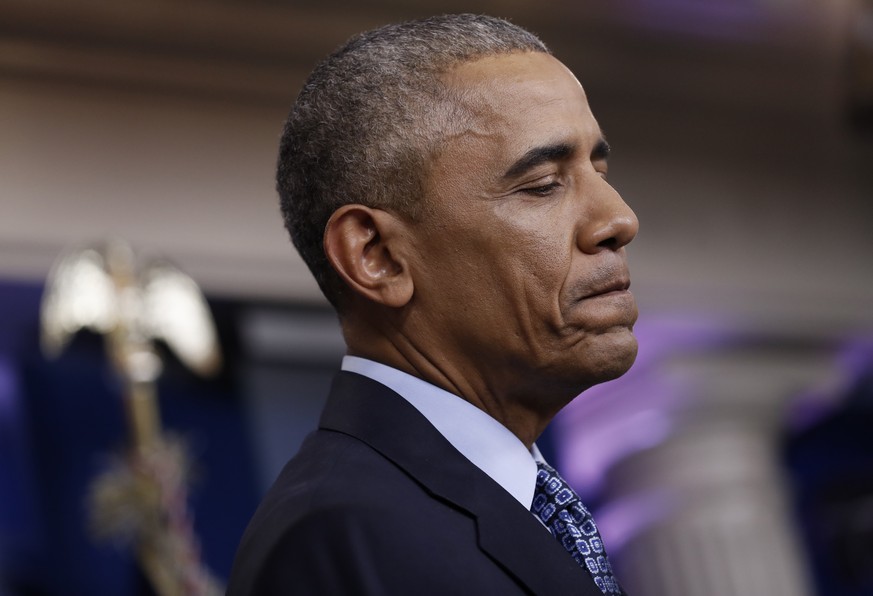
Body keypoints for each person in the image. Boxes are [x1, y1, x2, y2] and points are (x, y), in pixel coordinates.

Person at [228, 13, 638, 596]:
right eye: (544, 183)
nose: (619, 220)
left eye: (598, 170)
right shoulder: (339, 538)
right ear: (378, 257)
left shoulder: (509, 503)